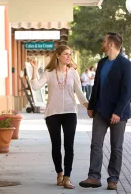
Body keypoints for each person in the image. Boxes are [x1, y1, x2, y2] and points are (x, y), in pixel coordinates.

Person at [79, 32, 131, 191]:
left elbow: (126, 91)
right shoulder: (102, 63)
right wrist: (91, 106)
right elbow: (96, 87)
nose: (102, 43)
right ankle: (94, 177)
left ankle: (113, 179)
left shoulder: (126, 65)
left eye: (104, 41)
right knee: (96, 144)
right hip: (100, 111)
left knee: (116, 146)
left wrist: (117, 112)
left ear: (111, 44)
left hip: (118, 113)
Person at [29, 45, 88, 189]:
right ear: (58, 55)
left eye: (70, 54)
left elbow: (79, 92)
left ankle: (67, 177)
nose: (69, 57)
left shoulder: (73, 72)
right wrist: (35, 70)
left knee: (69, 146)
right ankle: (59, 173)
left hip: (70, 112)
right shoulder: (49, 73)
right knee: (56, 146)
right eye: (66, 54)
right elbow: (36, 86)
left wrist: (88, 106)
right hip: (52, 114)